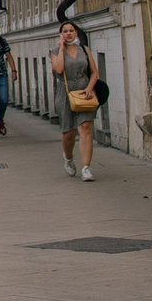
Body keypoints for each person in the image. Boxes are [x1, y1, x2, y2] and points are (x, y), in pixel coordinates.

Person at [52, 18, 98, 180]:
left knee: (85, 128)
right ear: (61, 34)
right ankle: (68, 158)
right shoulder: (55, 51)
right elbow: (58, 69)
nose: (68, 34)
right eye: (65, 31)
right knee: (69, 133)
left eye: (71, 31)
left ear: (76, 33)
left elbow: (94, 72)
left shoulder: (84, 49)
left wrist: (89, 88)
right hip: (65, 93)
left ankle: (86, 168)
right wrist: (61, 47)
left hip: (84, 92)